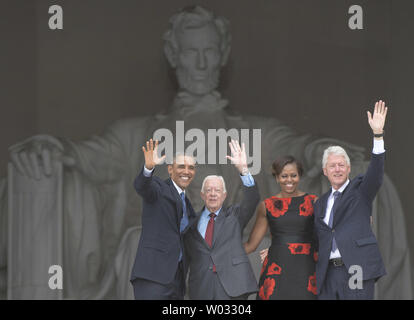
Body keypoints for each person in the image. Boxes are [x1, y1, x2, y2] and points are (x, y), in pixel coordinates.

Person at [0, 6, 411, 299]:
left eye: (209, 51)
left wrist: (325, 150)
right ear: (174, 56)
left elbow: (297, 148)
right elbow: (86, 156)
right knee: (143, 245)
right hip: (158, 249)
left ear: (223, 55)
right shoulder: (136, 134)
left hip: (238, 252)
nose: (200, 62)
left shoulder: (256, 131)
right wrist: (50, 148)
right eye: (191, 51)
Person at [314, 100, 388, 300]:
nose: (337, 169)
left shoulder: (361, 191)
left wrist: (377, 135)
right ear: (325, 171)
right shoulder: (320, 203)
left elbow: (376, 173)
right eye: (332, 166)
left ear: (348, 169)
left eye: (341, 165)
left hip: (356, 267)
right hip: (328, 273)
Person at [184, 139, 259, 300]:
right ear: (202, 195)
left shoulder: (235, 215)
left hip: (233, 287)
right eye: (208, 190)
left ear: (224, 195)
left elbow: (252, 199)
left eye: (217, 190)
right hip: (201, 287)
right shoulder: (191, 223)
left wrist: (244, 170)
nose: (212, 194)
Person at [244, 156, 318, 299]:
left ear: (299, 176)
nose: (289, 180)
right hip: (276, 270)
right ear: (277, 178)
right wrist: (221, 253)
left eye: (293, 175)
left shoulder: (314, 202)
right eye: (284, 176)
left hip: (306, 270)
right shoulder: (267, 206)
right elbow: (251, 245)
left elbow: (324, 235)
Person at [130, 139, 196, 300]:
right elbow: (142, 186)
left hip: (177, 280)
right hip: (153, 276)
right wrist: (148, 168)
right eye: (181, 166)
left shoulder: (188, 205)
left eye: (191, 167)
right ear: (170, 169)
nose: (186, 171)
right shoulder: (159, 189)